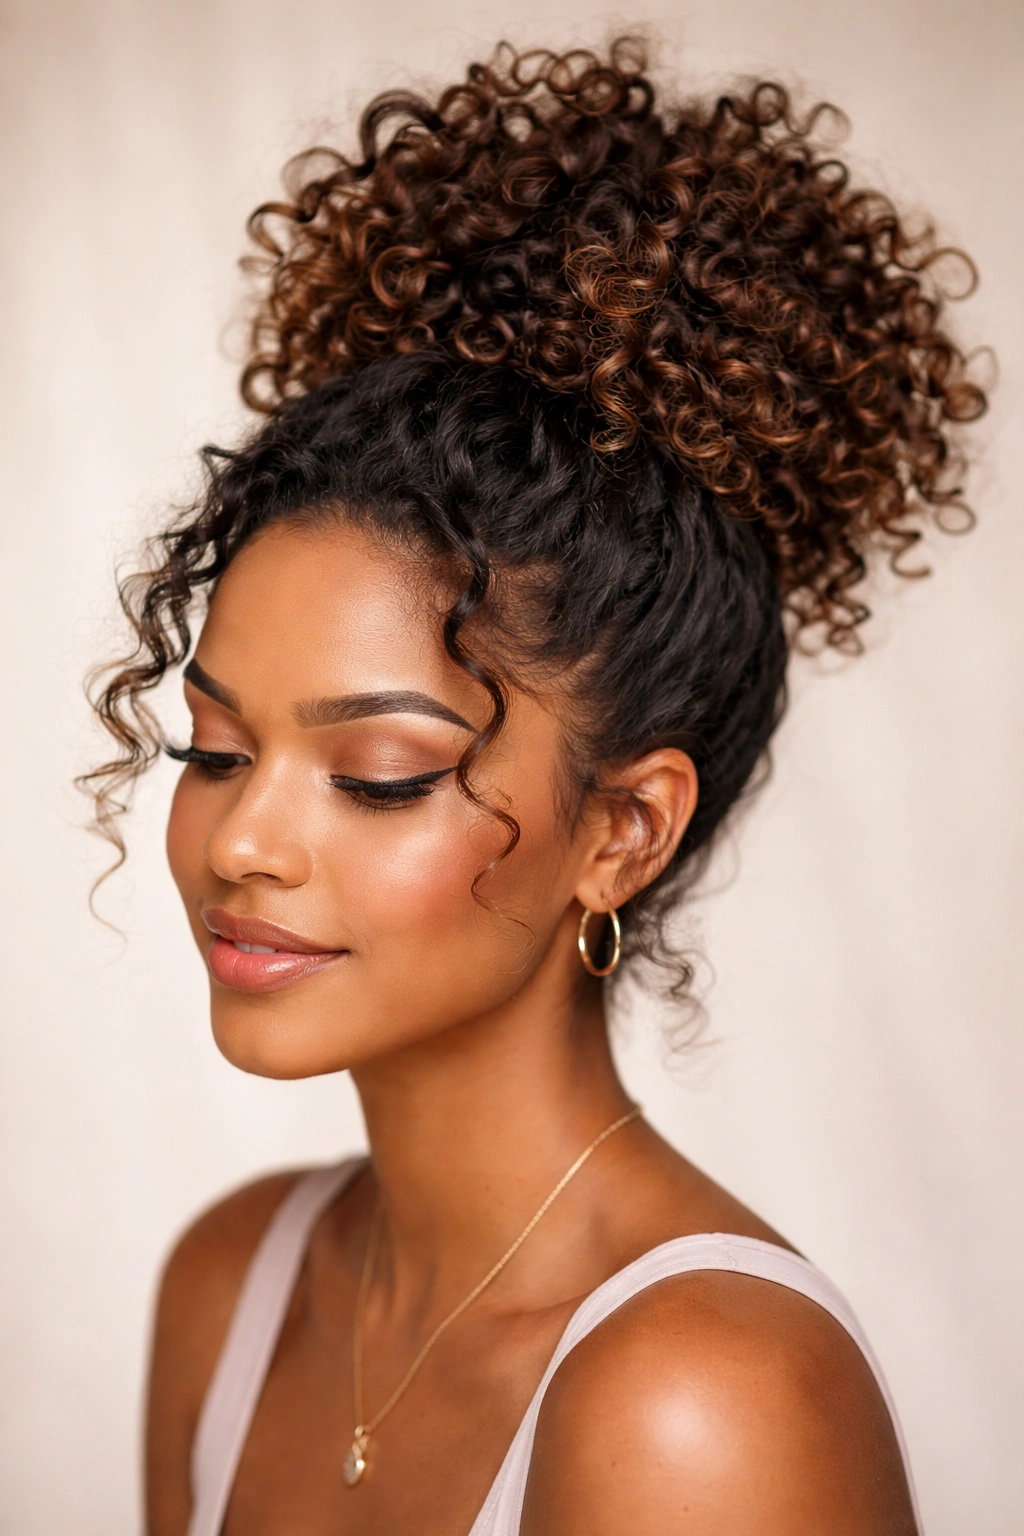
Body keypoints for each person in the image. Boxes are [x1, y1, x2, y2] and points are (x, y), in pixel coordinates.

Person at [85, 40, 985, 1536]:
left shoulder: (703, 1399)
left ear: (623, 833)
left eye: (379, 776)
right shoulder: (231, 1288)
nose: (241, 838)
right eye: (218, 749)